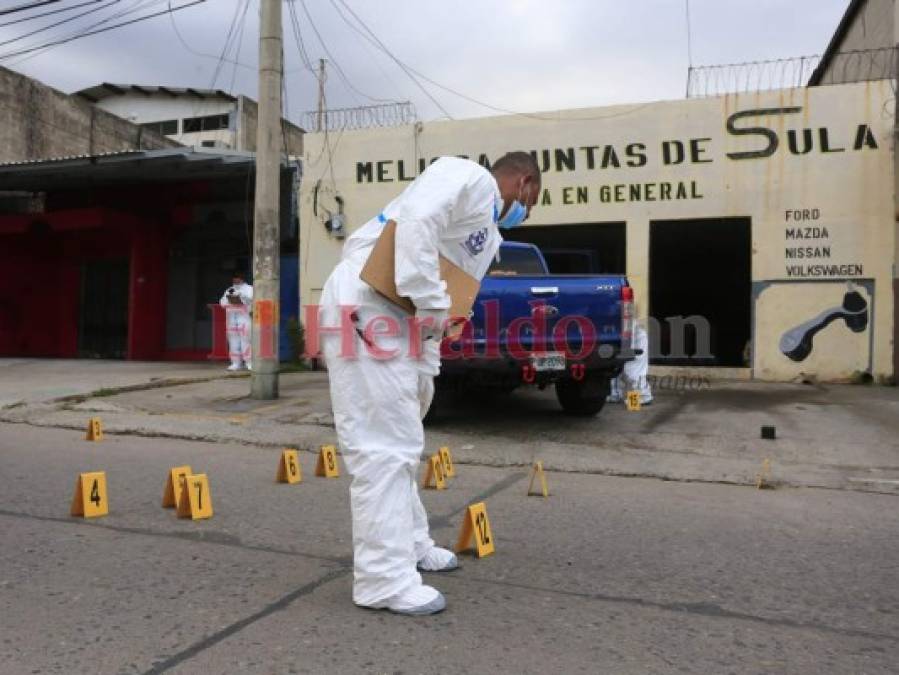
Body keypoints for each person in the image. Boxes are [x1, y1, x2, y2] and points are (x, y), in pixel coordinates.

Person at [319, 153, 541, 616]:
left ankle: (411, 545)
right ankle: (382, 580)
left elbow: (449, 291)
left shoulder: (486, 233)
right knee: (383, 446)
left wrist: (431, 344)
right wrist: (432, 302)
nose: (529, 210)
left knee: (405, 438)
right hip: (368, 303)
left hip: (403, 321)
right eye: (533, 199)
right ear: (524, 182)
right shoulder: (472, 177)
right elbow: (416, 220)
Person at [609, 321, 653, 405]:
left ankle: (642, 397)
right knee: (614, 368)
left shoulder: (622, 317)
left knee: (632, 371)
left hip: (635, 342)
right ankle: (615, 394)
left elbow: (628, 335)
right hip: (621, 342)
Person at [219, 271, 253, 371]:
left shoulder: (250, 289)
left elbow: (252, 301)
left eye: (237, 278)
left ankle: (249, 362)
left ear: (242, 278)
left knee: (246, 341)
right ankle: (236, 363)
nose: (235, 280)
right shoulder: (230, 290)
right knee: (233, 342)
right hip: (232, 319)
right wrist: (229, 300)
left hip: (244, 318)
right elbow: (222, 302)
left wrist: (241, 297)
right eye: (234, 278)